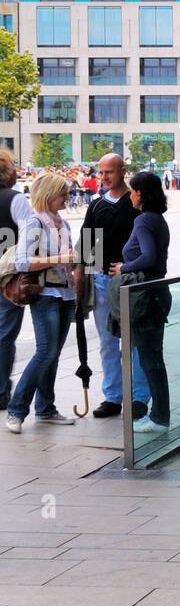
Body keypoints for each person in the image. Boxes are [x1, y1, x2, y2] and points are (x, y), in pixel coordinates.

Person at [4, 173, 81, 432]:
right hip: (46, 296)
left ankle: (46, 408)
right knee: (45, 352)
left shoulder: (64, 225)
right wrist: (60, 257)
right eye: (63, 193)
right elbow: (22, 262)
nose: (67, 198)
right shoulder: (34, 224)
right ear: (49, 194)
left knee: (53, 354)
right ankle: (16, 410)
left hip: (66, 295)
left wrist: (73, 263)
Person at [80, 154, 150, 421]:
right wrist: (83, 280)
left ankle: (138, 397)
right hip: (101, 281)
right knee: (108, 342)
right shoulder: (97, 206)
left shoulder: (135, 204)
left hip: (131, 281)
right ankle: (113, 396)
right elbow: (88, 248)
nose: (104, 177)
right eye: (101, 173)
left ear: (122, 171)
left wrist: (130, 266)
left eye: (109, 172)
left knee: (133, 341)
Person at [114, 172, 171, 435]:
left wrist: (124, 267)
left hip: (146, 296)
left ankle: (159, 417)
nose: (131, 195)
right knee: (153, 358)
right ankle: (159, 414)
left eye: (133, 191)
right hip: (156, 293)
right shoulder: (156, 219)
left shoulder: (144, 220)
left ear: (141, 194)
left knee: (150, 359)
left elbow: (147, 256)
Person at [0, 149, 44, 418]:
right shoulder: (15, 199)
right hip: (7, 278)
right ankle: (1, 391)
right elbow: (31, 234)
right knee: (4, 335)